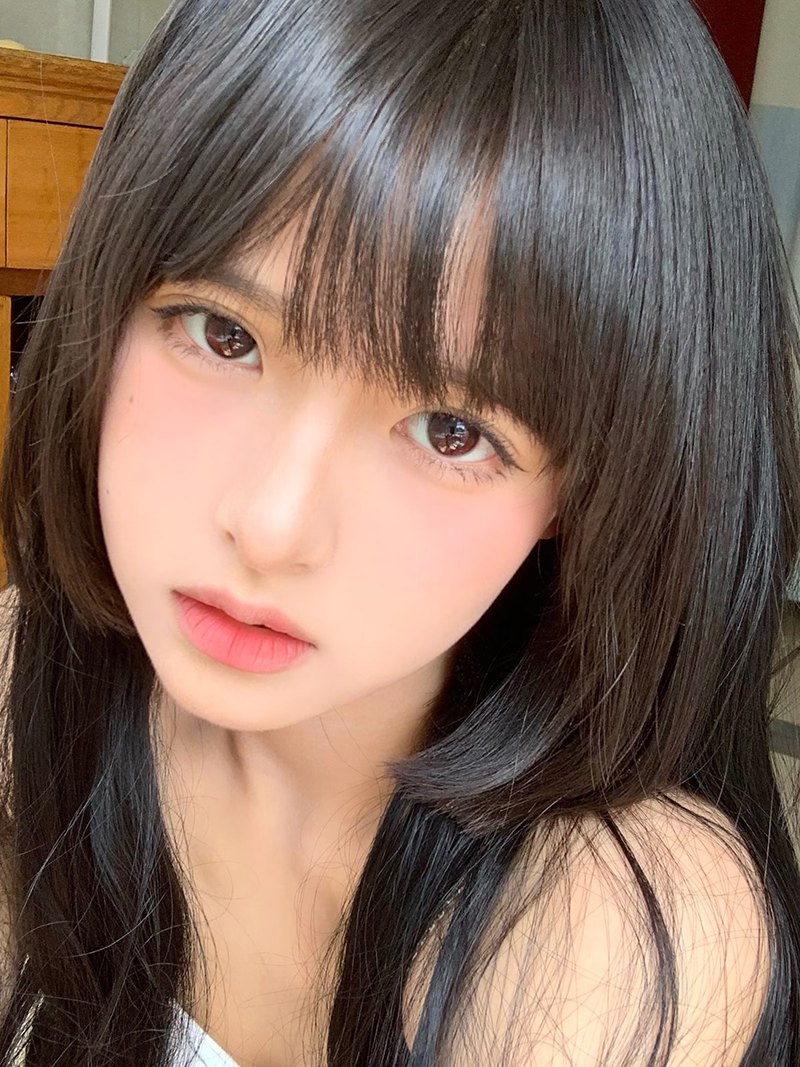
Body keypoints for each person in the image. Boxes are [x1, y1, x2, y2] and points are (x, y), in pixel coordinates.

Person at [0, 0, 799, 1063]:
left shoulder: (612, 923)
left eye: (450, 430)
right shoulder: (29, 682)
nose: (270, 524)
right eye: (223, 333)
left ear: (589, 490)